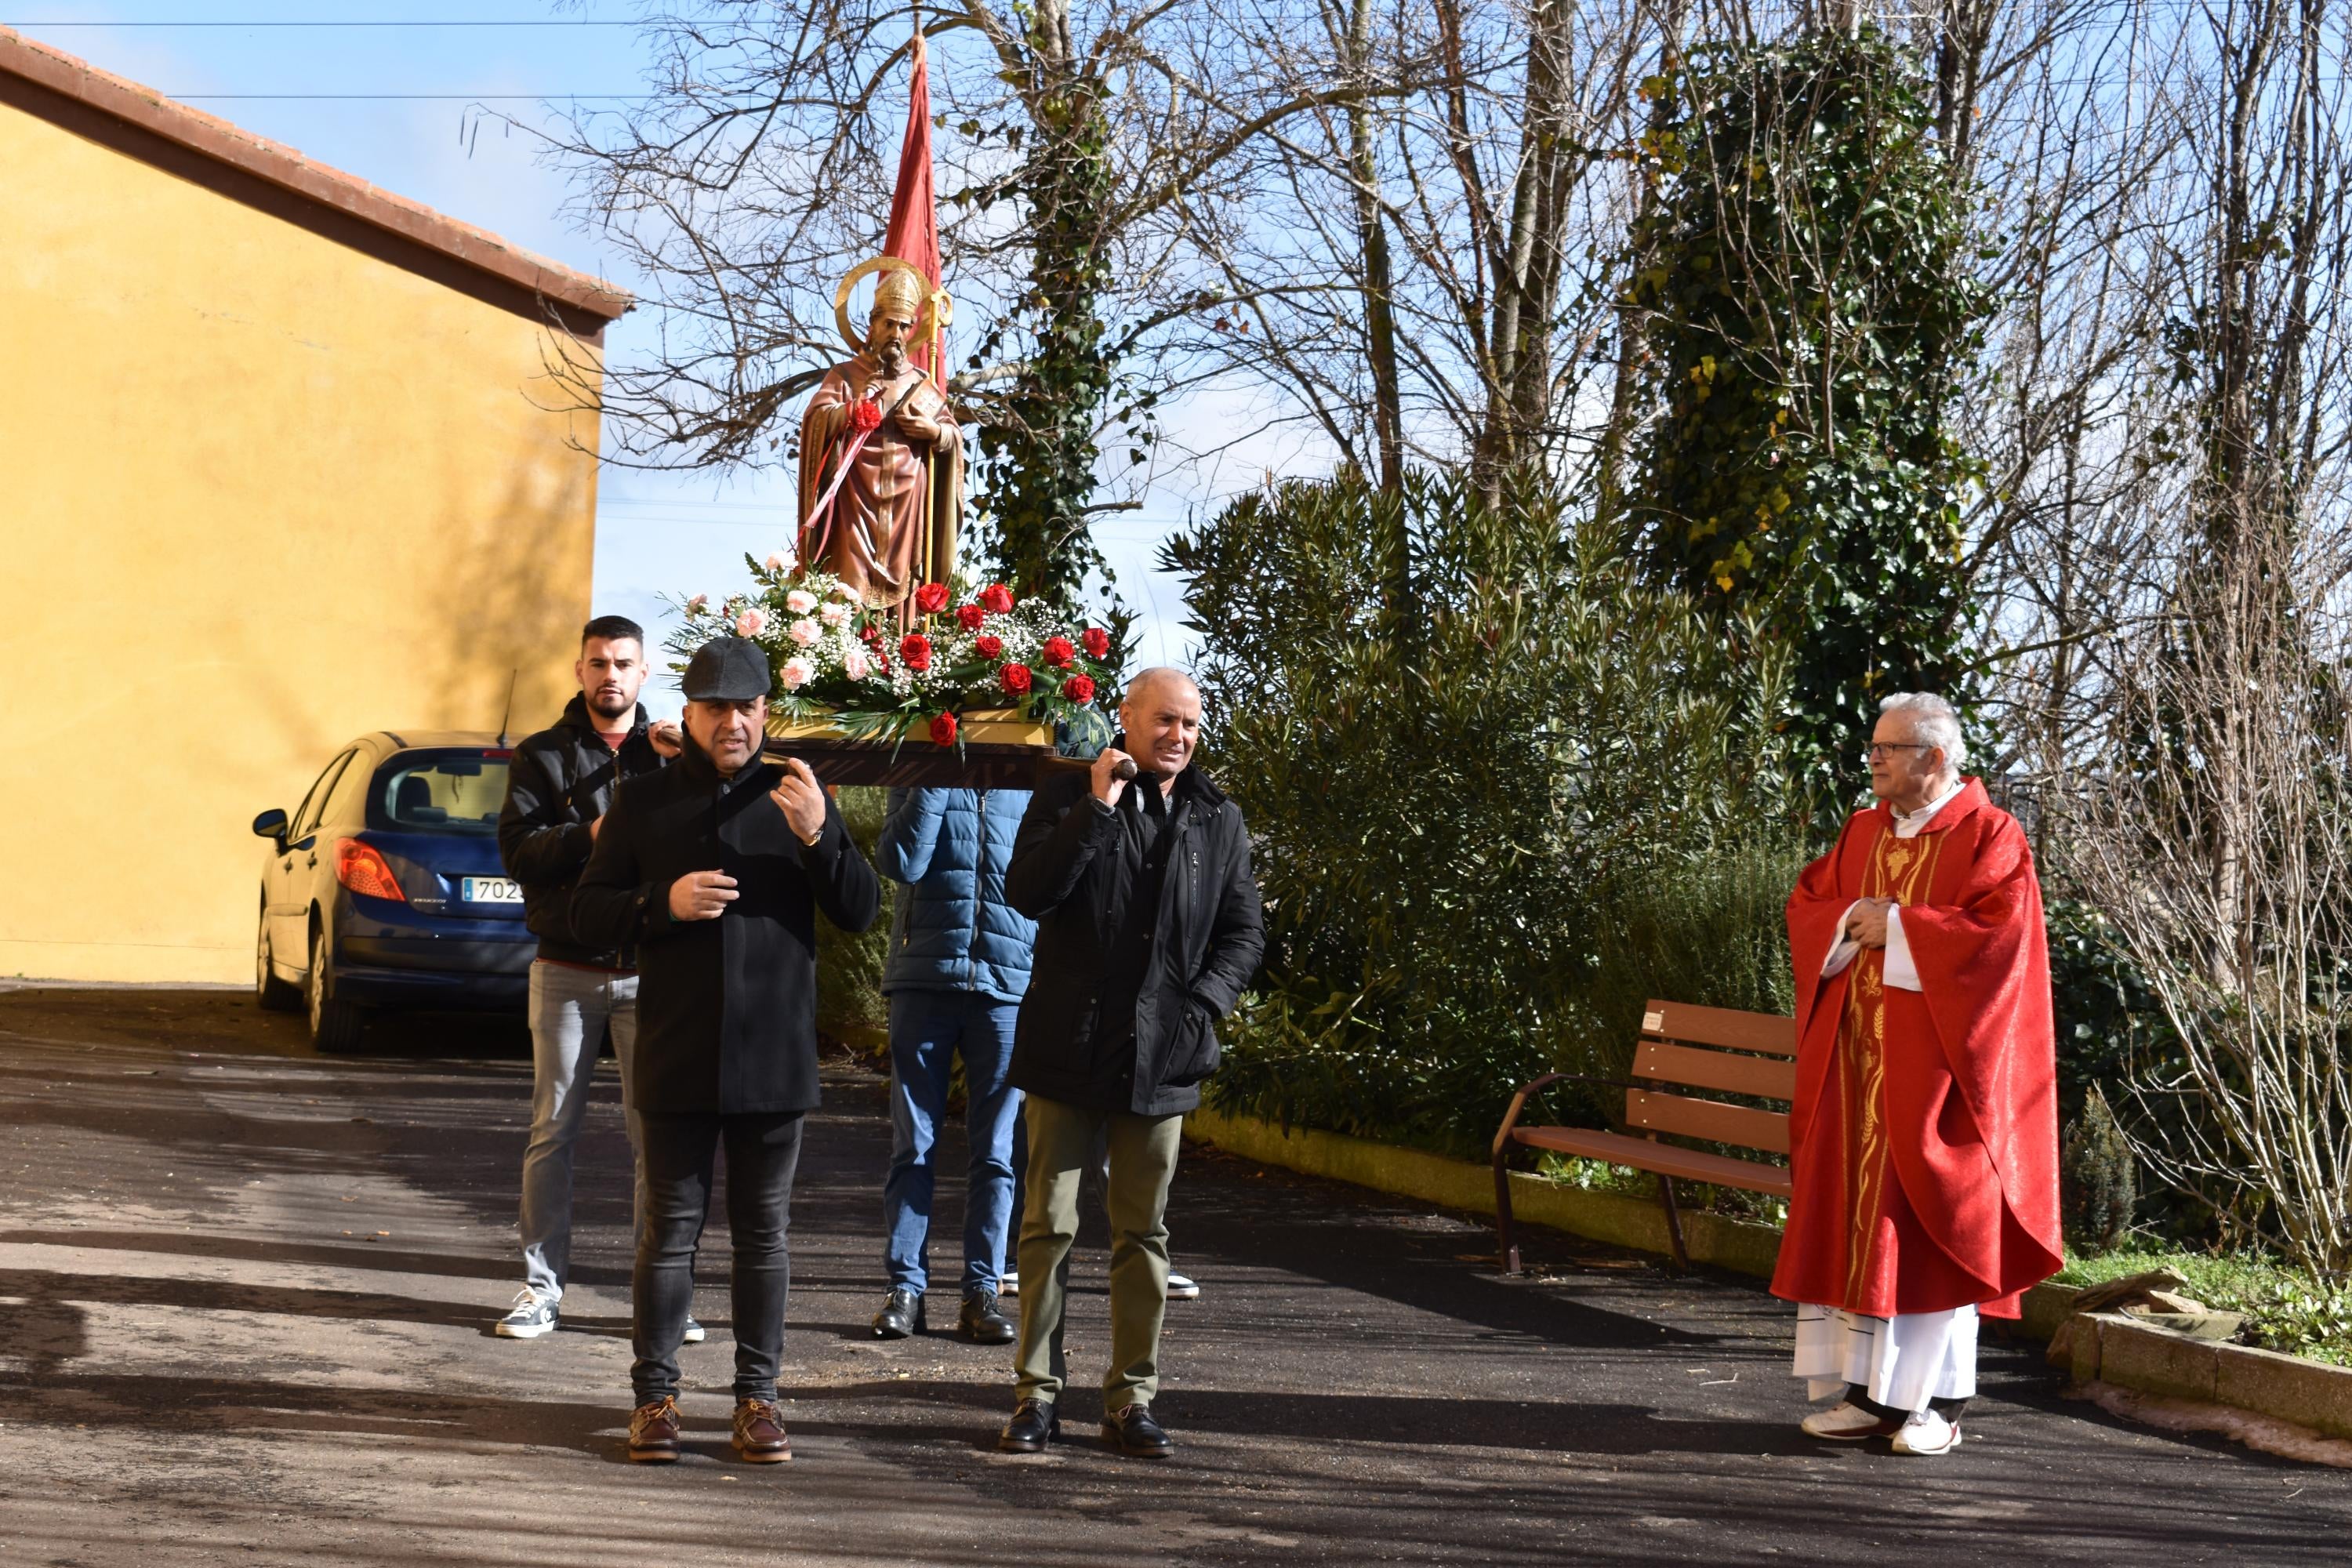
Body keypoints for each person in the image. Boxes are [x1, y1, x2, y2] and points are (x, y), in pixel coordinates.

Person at [570, 635, 881, 1465]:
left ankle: (757, 1401)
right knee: (667, 1233)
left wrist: (822, 838)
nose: (732, 722)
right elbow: (584, 912)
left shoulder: (800, 795)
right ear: (689, 713)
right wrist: (659, 901)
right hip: (675, 1050)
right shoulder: (643, 802)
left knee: (763, 1235)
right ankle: (656, 1399)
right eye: (716, 708)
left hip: (775, 1060)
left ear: (766, 712)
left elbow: (859, 910)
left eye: (747, 706)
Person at [1775, 692, 2063, 1457]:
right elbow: (1812, 902)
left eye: (1889, 747)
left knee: (1933, 1234)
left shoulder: (1991, 835)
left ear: (1934, 757)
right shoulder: (1863, 828)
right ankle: (1872, 1397)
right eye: (1873, 746)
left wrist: (1899, 926)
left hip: (1939, 1083)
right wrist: (1849, 922)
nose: (1873, 758)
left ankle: (1939, 1402)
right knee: (1864, 1234)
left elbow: (2000, 944)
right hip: (1859, 1072)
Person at [995, 668, 1265, 1459]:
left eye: (1189, 723)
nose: (1177, 736)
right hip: (1068, 1049)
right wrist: (1096, 808)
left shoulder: (1219, 818)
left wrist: (1203, 1005)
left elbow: (1243, 933)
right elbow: (1030, 892)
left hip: (1164, 1058)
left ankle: (1130, 1399)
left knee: (1143, 1233)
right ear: (1127, 719)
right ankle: (1035, 1396)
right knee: (1049, 1227)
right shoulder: (1066, 794)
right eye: (1163, 721)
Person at [492, 615, 690, 1341]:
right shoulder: (543, 756)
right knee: (553, 1133)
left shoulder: (670, 754)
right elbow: (518, 852)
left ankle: (660, 1296)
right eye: (598, 663)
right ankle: (541, 1290)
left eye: (624, 663)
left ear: (646, 672)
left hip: (650, 971)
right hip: (566, 969)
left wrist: (690, 763)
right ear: (579, 671)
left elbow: (710, 833)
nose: (611, 675)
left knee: (655, 1138)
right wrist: (591, 834)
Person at [869, 786, 1033, 1344]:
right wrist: (934, 777)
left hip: (1007, 985)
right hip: (924, 978)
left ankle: (981, 1291)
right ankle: (905, 1289)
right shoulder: (920, 768)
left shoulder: (1030, 776)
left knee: (997, 1152)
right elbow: (901, 862)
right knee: (912, 1145)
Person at [797, 261, 960, 619]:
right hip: (854, 501)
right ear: (872, 325)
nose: (896, 333)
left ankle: (898, 656)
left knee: (905, 589)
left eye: (904, 325)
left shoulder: (922, 384)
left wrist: (936, 434)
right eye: (888, 324)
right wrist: (853, 410)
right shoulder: (845, 375)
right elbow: (816, 420)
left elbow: (952, 437)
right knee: (848, 583)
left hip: (908, 505)